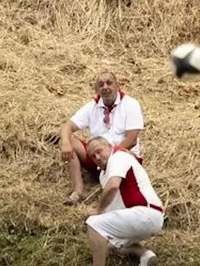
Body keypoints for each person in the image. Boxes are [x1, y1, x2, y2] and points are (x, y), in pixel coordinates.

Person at [74, 136, 163, 266]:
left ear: (109, 146)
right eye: (92, 156)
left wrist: (98, 210)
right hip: (144, 217)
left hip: (145, 213)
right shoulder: (104, 174)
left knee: (94, 224)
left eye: (99, 151)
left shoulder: (119, 156)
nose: (97, 157)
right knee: (108, 244)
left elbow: (113, 186)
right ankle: (145, 255)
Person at [59, 71, 145, 205]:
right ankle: (79, 190)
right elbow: (68, 126)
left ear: (117, 85)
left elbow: (132, 140)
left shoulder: (130, 104)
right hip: (98, 158)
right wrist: (65, 142)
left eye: (109, 83)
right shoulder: (93, 106)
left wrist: (110, 156)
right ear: (97, 90)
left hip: (122, 157)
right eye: (101, 85)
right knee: (69, 141)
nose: (105, 87)